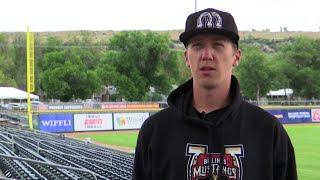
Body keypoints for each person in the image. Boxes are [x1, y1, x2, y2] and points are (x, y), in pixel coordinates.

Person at [132, 8, 297, 180]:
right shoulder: (156, 130)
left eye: (218, 45)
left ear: (236, 57)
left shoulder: (268, 131)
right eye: (197, 45)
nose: (207, 55)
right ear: (187, 58)